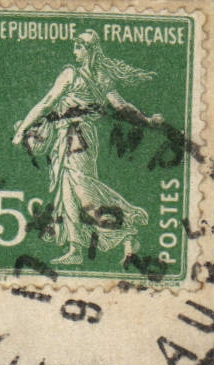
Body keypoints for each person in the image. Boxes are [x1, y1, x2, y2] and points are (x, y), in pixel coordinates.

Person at [13, 30, 163, 267]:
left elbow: (48, 102)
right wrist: (146, 120)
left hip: (78, 139)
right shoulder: (98, 76)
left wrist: (22, 129)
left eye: (78, 47)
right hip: (68, 138)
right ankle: (76, 249)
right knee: (67, 192)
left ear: (89, 49)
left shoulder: (75, 75)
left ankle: (127, 226)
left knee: (83, 190)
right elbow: (122, 107)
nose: (74, 52)